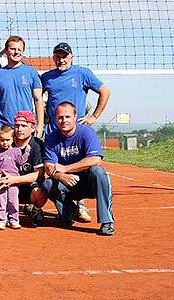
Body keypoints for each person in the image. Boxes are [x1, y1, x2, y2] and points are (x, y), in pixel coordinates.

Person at [41, 42, 111, 222]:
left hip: (75, 132)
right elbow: (36, 98)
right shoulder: (47, 77)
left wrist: (94, 116)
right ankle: (67, 208)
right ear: (53, 58)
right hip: (54, 134)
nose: (61, 59)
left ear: (71, 57)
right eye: (57, 56)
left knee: (89, 168)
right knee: (50, 175)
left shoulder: (82, 73)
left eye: (64, 56)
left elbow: (105, 91)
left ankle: (82, 206)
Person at [41, 101, 115, 235]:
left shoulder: (86, 132)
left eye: (67, 117)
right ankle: (69, 212)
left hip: (88, 182)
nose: (64, 120)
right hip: (68, 183)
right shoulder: (51, 138)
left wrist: (66, 169)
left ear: (75, 117)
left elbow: (95, 160)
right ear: (55, 119)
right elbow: (49, 166)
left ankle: (107, 221)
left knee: (99, 172)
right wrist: (61, 176)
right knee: (47, 183)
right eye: (60, 117)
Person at [0, 111, 47, 227]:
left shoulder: (36, 145)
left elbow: (39, 174)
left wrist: (14, 180)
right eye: (17, 126)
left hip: (26, 185)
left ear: (32, 128)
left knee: (41, 189)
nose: (19, 129)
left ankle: (35, 210)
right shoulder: (4, 142)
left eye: (24, 126)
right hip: (4, 182)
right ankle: (2, 211)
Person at [0, 35, 44, 142]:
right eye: (13, 49)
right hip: (3, 128)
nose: (16, 52)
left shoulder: (31, 73)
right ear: (6, 51)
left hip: (24, 127)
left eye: (19, 50)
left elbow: (38, 100)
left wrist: (39, 125)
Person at [0, 125, 30, 230]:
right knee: (0, 201)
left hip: (13, 181)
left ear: (13, 139)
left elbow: (21, 162)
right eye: (2, 140)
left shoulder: (16, 151)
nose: (4, 142)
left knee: (13, 201)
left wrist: (27, 153)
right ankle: (1, 220)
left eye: (7, 140)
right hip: (0, 180)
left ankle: (14, 220)